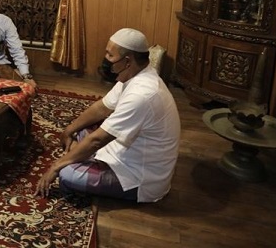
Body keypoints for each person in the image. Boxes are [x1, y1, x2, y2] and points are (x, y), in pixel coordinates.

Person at [34, 28, 180, 203]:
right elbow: (101, 108)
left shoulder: (142, 94)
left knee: (67, 174)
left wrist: (56, 166)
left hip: (138, 177)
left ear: (127, 61)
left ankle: (83, 160)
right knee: (83, 128)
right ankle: (84, 156)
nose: (105, 59)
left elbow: (97, 140)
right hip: (123, 151)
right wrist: (69, 130)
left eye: (110, 55)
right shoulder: (133, 74)